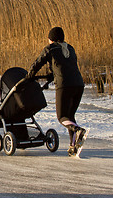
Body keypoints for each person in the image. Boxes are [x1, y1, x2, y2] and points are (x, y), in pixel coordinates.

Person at [26, 27, 86, 156]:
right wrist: (52, 75)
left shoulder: (50, 48)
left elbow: (37, 63)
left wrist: (29, 76)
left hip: (65, 86)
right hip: (79, 85)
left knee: (61, 117)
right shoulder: (70, 48)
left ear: (51, 39)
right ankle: (73, 146)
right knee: (70, 117)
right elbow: (63, 66)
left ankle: (78, 130)